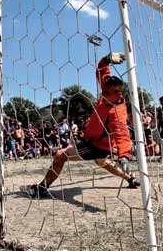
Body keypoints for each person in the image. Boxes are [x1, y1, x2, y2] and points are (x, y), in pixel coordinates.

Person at [26, 53, 140, 197]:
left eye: (107, 89)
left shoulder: (116, 111)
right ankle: (131, 179)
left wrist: (124, 156)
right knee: (102, 162)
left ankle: (41, 188)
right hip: (100, 143)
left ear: (117, 91)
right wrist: (107, 59)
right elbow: (102, 71)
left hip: (95, 145)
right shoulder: (108, 91)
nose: (102, 90)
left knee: (61, 155)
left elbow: (121, 132)